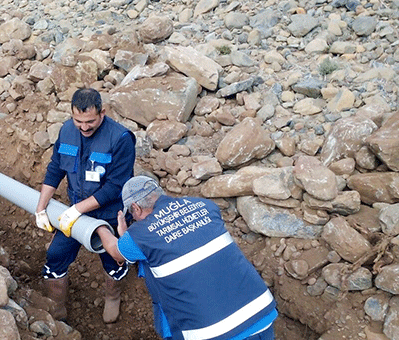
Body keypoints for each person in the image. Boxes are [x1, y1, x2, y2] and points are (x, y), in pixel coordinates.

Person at [96, 176, 278, 340]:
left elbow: (115, 251)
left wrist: (100, 228)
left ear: (135, 207)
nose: (133, 217)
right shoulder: (205, 206)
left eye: (132, 213)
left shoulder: (139, 235)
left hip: (213, 331)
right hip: (261, 312)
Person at [35, 88, 136, 323]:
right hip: (77, 212)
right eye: (78, 120)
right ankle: (58, 309)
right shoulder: (67, 131)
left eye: (90, 121)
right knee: (55, 257)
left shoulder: (120, 139)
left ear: (102, 112)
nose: (84, 127)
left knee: (114, 260)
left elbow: (115, 187)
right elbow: (56, 169)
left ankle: (112, 298)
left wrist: (76, 210)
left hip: (110, 214)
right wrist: (41, 207)